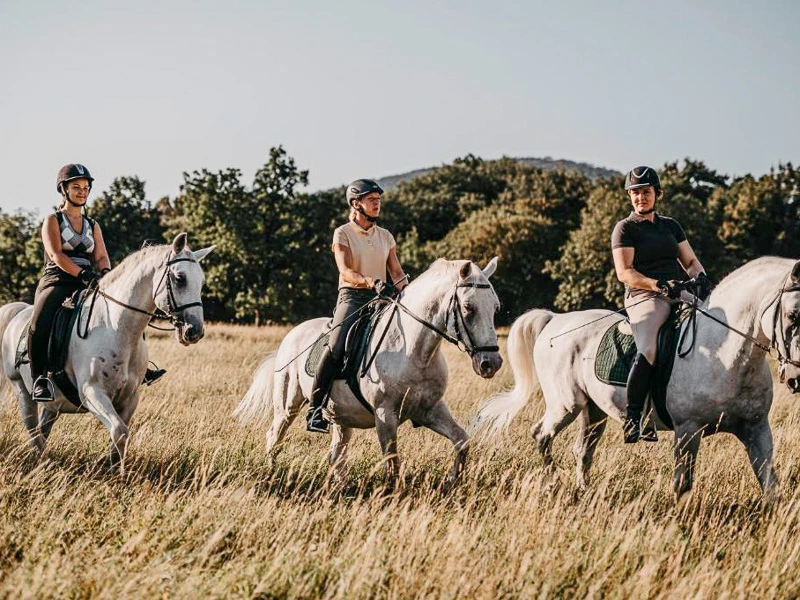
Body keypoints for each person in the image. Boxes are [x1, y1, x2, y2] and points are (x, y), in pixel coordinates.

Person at [28, 164, 163, 402]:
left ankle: (140, 369)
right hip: (58, 281)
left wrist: (107, 275)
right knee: (40, 323)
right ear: (64, 190)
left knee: (128, 314)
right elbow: (56, 254)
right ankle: (40, 378)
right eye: (76, 187)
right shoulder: (53, 220)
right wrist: (80, 273)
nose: (82, 192)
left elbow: (100, 256)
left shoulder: (93, 225)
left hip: (88, 281)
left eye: (86, 188)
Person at [611, 166, 711, 444]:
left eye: (646, 192)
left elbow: (690, 262)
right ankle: (634, 418)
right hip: (644, 296)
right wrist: (658, 284)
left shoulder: (671, 226)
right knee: (650, 347)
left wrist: (701, 278)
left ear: (657, 194)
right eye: (635, 193)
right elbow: (625, 272)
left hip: (678, 292)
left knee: (713, 321)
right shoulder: (625, 228)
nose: (640, 197)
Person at [306, 178, 409, 433]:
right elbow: (346, 270)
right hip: (353, 297)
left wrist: (409, 290)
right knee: (336, 345)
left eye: (379, 201)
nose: (377, 205)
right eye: (372, 200)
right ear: (356, 203)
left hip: (382, 298)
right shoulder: (342, 233)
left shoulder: (385, 236)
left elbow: (396, 273)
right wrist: (370, 281)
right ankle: (316, 410)